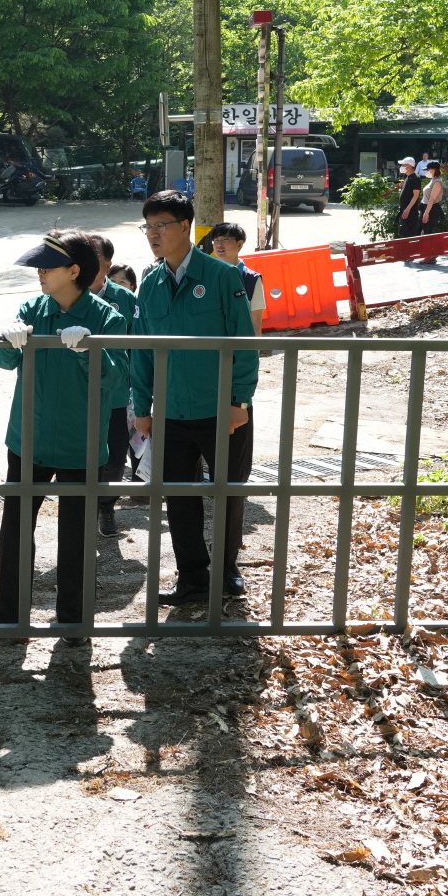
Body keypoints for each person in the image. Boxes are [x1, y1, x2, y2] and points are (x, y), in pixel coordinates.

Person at [0, 231, 128, 633]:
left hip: (79, 442)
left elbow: (116, 380)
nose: (39, 273)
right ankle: (9, 621)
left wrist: (91, 349)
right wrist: (8, 339)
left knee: (76, 538)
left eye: (47, 266)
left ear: (74, 270)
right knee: (15, 531)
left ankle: (72, 623)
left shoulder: (107, 318)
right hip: (27, 439)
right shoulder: (34, 308)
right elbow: (1, 361)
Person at [130, 191, 258, 604]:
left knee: (229, 492)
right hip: (171, 411)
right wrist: (143, 407)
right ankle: (192, 578)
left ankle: (227, 571)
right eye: (147, 227)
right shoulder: (150, 284)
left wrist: (240, 401)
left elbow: (243, 341)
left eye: (160, 226)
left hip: (222, 409)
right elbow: (143, 350)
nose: (152, 234)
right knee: (179, 497)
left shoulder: (221, 277)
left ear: (185, 227)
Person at [87, 234, 137, 536]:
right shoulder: (69, 295)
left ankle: (106, 506)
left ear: (107, 263)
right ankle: (83, 508)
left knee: (115, 460)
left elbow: (139, 348)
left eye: (95, 258)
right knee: (80, 457)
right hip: (78, 395)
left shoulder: (126, 299)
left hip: (116, 396)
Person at [207, 222, 266, 337]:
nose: (219, 245)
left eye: (225, 240)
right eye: (216, 240)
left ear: (239, 244)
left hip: (238, 347)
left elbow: (255, 323)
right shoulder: (205, 275)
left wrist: (254, 352)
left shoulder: (251, 279)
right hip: (210, 347)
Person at [417, 161, 447, 263]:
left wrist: (426, 213)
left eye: (428, 170)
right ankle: (429, 255)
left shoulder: (437, 182)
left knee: (427, 232)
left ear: (433, 170)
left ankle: (430, 256)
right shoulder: (433, 180)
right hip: (426, 207)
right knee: (424, 232)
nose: (427, 172)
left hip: (432, 209)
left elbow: (432, 199)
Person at [396, 156, 423, 238]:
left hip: (410, 213)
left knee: (409, 235)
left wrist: (408, 209)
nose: (402, 167)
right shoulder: (408, 178)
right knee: (403, 233)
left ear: (410, 166)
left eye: (404, 165)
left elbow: (416, 195)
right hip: (404, 211)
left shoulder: (415, 178)